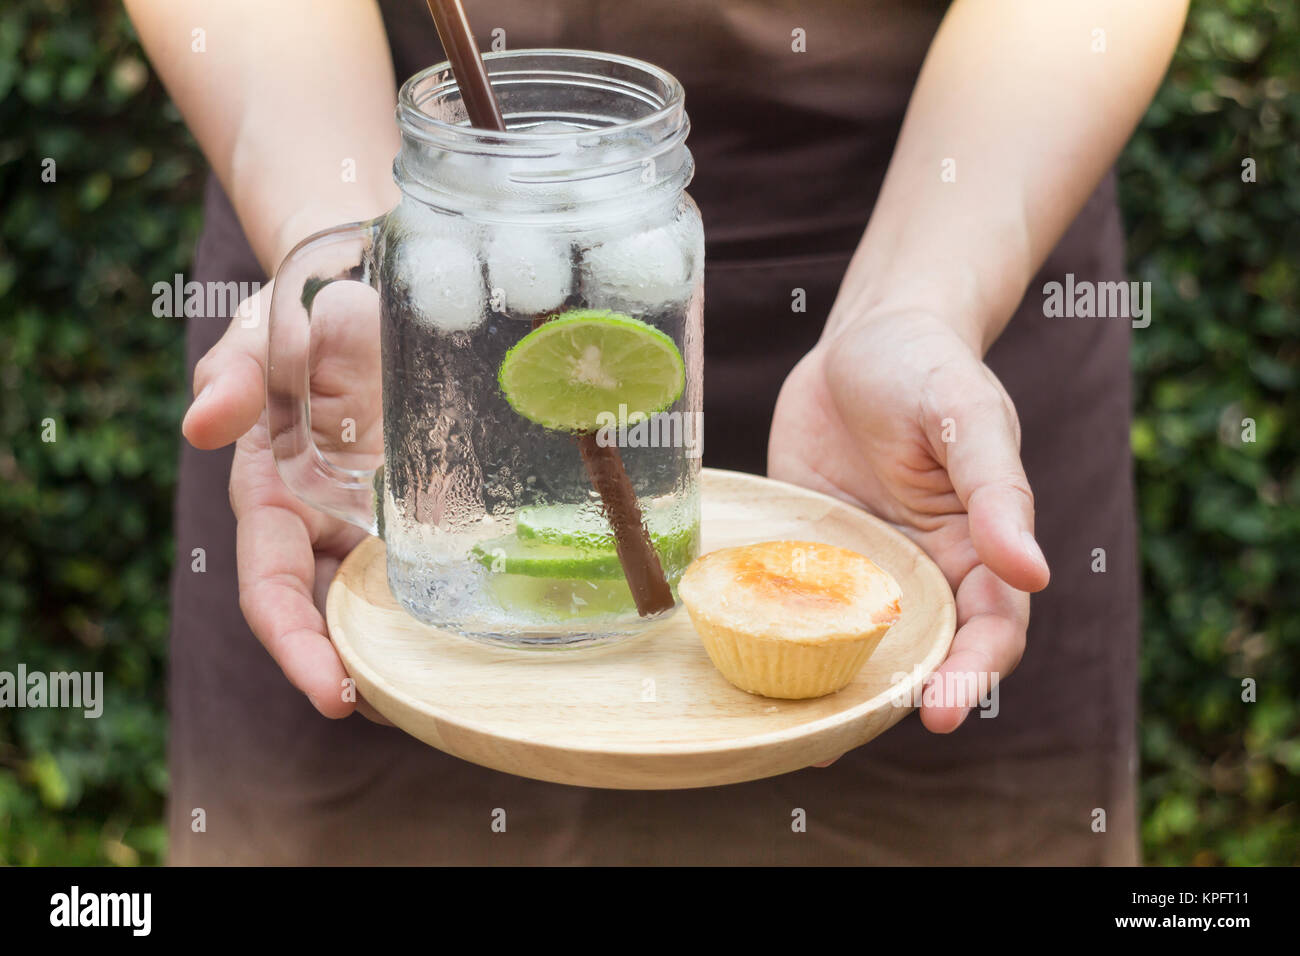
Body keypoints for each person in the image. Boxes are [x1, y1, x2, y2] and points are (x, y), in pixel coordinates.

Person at [125, 0, 1188, 864]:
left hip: (955, 244)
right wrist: (363, 254)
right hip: (367, 194)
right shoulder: (390, 270)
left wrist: (918, 303)